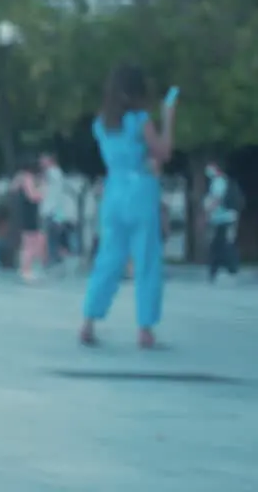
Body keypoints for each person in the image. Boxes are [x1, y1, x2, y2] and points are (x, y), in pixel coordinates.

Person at [81, 64, 175, 349]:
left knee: (109, 259)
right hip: (141, 192)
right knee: (146, 259)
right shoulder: (141, 120)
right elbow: (163, 152)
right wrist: (169, 119)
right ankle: (145, 328)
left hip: (114, 192)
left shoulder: (100, 124)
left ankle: (89, 320)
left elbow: (123, 156)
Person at [203, 159, 242, 284]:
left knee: (221, 245)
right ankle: (217, 270)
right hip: (223, 218)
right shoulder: (221, 180)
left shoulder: (218, 181)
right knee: (219, 245)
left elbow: (217, 199)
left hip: (223, 218)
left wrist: (208, 212)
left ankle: (230, 268)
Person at [12, 157, 46, 283]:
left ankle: (26, 268)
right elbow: (33, 196)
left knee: (30, 241)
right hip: (30, 212)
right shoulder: (27, 178)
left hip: (25, 212)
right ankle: (26, 270)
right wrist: (42, 190)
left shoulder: (19, 178)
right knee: (30, 243)